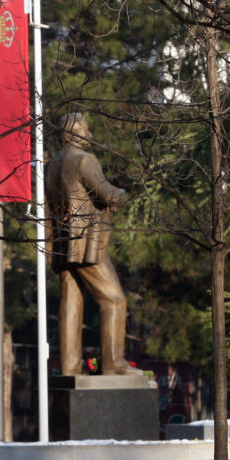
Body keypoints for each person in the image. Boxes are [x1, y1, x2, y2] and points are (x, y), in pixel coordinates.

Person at [45, 113, 142, 376]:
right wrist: (123, 193)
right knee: (114, 300)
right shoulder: (84, 160)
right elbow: (109, 194)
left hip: (63, 241)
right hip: (87, 243)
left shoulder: (52, 163)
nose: (91, 137)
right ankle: (113, 363)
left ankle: (70, 366)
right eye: (86, 131)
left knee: (71, 302)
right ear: (74, 133)